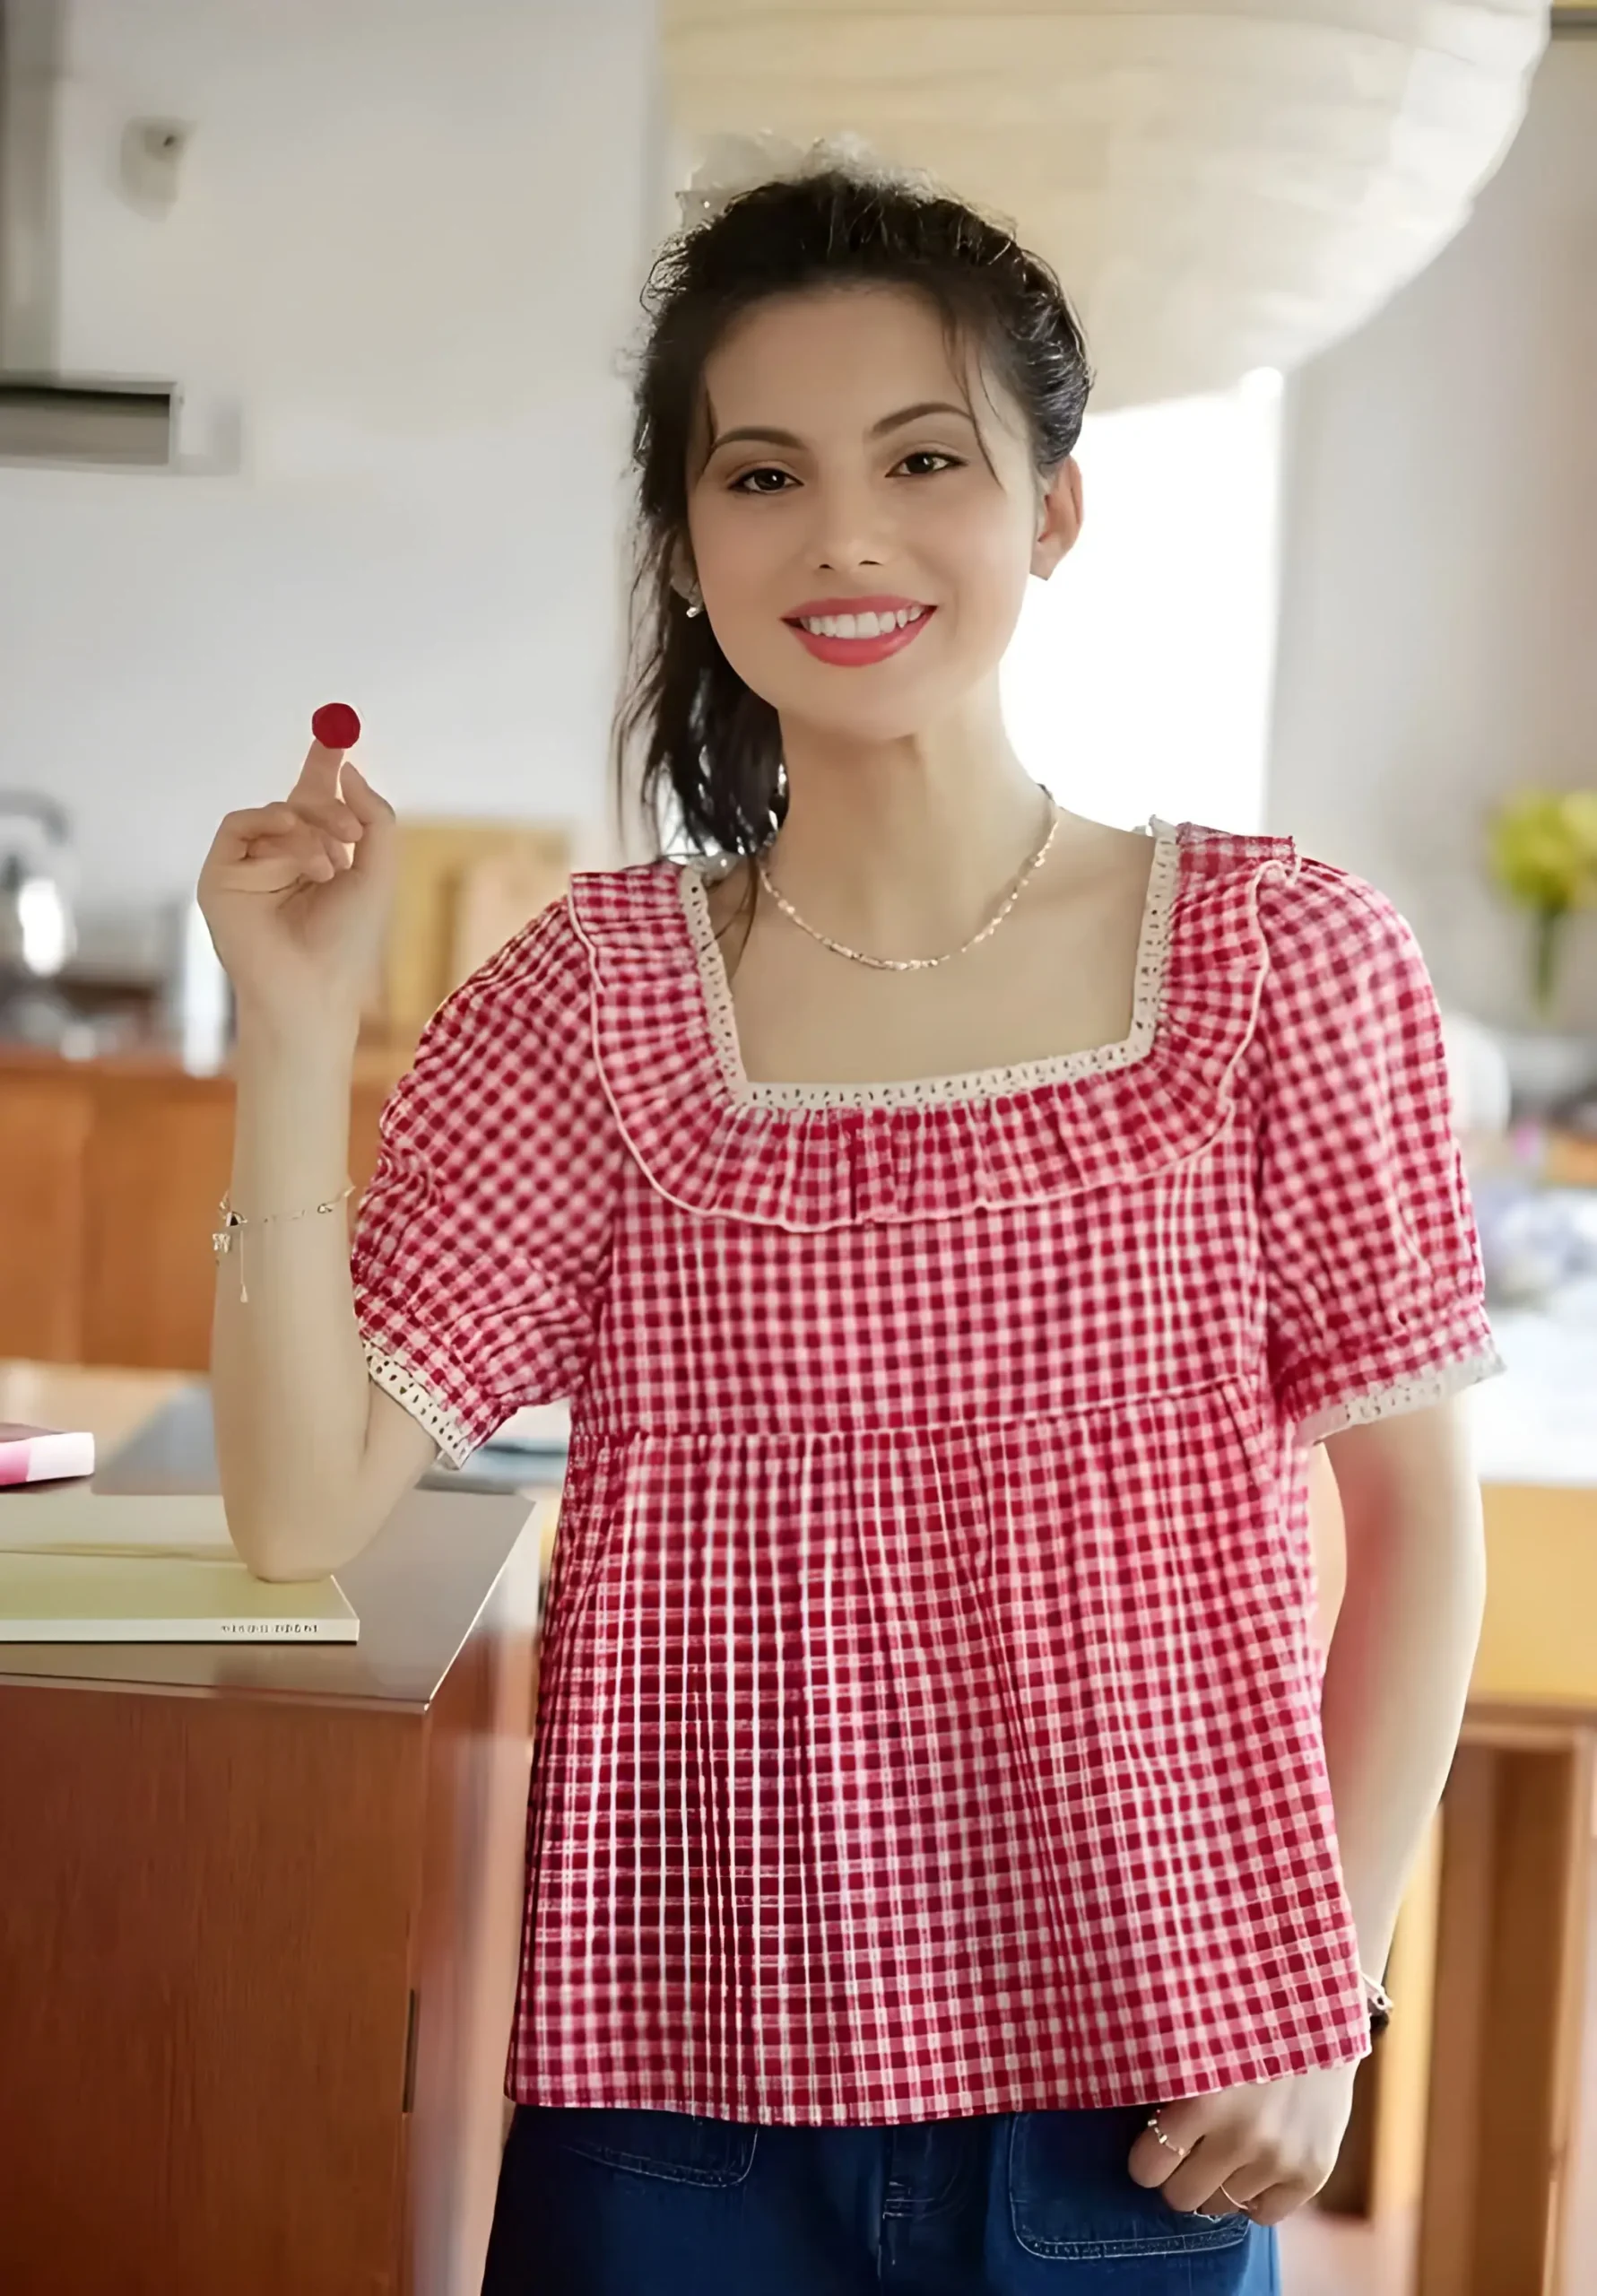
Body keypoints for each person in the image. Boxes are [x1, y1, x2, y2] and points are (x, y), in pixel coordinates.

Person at [198, 143, 1501, 2296]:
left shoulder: (1282, 959)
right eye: (762, 477)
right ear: (686, 538)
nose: (845, 537)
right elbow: (293, 1505)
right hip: (670, 2127)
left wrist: (1320, 1987)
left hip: (1143, 2102)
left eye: (921, 458)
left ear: (1051, 506)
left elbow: (1417, 1523)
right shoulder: (591, 994)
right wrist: (290, 1027)